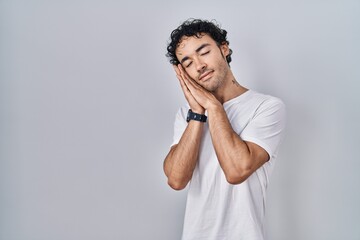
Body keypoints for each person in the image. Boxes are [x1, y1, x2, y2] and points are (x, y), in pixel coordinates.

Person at [163, 19, 286, 240]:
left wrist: (213, 106)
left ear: (224, 48)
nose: (199, 65)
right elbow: (176, 180)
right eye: (188, 62)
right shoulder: (188, 115)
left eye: (203, 51)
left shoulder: (266, 107)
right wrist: (198, 115)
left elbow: (236, 170)